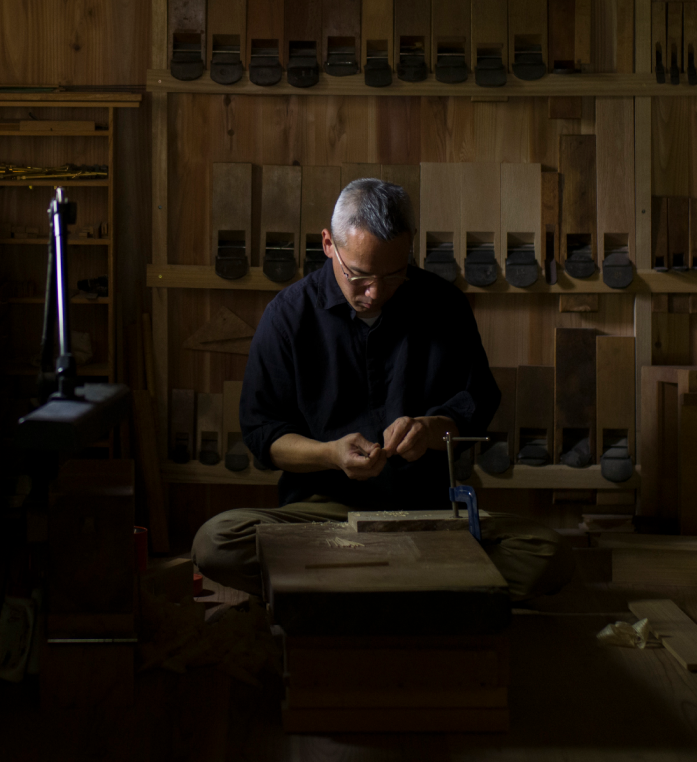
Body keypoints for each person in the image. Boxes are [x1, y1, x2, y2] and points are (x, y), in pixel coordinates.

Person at [192, 178, 574, 601]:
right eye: (358, 276)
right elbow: (264, 435)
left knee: (549, 554)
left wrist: (434, 430)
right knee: (216, 542)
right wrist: (330, 454)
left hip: (425, 512)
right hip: (325, 513)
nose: (374, 293)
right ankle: (417, 585)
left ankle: (352, 585)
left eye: (393, 275)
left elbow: (477, 400)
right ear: (327, 244)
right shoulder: (288, 317)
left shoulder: (443, 305)